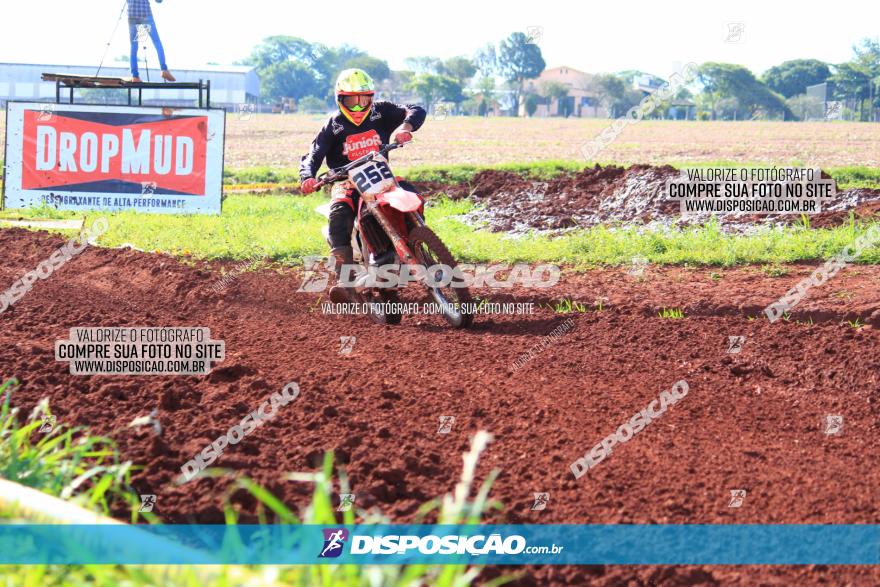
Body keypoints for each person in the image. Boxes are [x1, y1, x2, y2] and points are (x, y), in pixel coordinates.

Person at [299, 68, 426, 303]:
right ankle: (345, 280)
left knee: (411, 193)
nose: (358, 106)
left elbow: (416, 109)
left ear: (372, 97)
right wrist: (308, 176)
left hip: (380, 175)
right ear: (340, 99)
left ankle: (419, 244)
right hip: (346, 181)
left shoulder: (382, 112)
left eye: (364, 99)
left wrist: (405, 128)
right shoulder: (333, 126)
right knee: (338, 214)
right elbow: (313, 154)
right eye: (352, 101)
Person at [127, 0, 175, 82]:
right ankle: (164, 69)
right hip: (145, 14)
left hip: (132, 14)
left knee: (134, 46)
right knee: (157, 42)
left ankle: (135, 76)